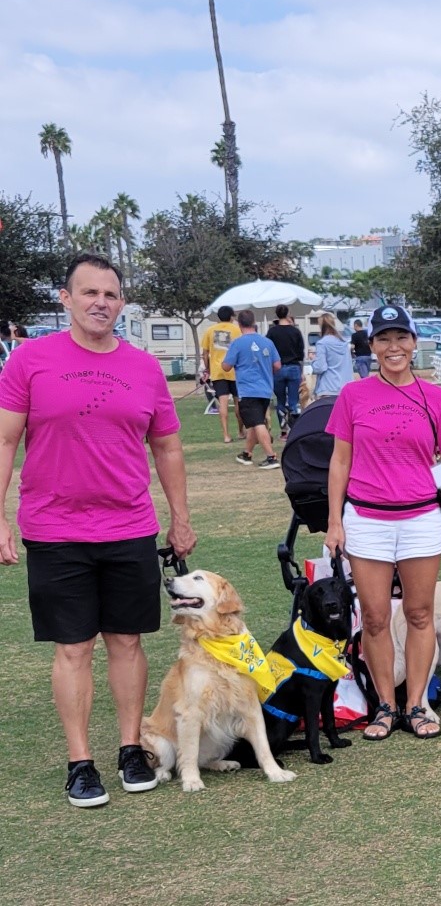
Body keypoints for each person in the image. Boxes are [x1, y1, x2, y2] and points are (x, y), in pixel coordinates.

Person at [0, 253, 197, 807]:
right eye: (88, 293)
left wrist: (180, 518)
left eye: (110, 295)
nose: (99, 304)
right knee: (73, 648)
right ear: (66, 299)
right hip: (55, 528)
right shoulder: (30, 361)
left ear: (122, 304)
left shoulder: (144, 367)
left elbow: (167, 445)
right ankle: (79, 762)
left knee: (128, 641)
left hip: (129, 525)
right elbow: (6, 441)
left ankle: (130, 749)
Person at [324, 304, 441, 740]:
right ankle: (385, 706)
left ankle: (416, 705)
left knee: (420, 614)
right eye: (384, 339)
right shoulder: (353, 395)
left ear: (413, 342)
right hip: (367, 520)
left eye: (401, 338)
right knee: (373, 617)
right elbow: (339, 462)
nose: (394, 347)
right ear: (371, 346)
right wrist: (335, 521)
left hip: (422, 519)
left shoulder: (435, 397)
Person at [222, 309, 281, 469]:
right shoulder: (267, 342)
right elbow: (277, 365)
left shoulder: (237, 343)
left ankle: (271, 457)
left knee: (257, 423)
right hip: (265, 389)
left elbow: (226, 366)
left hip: (248, 390)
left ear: (239, 324)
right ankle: (247, 453)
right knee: (254, 424)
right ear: (254, 322)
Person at [199, 305, 243, 443]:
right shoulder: (237, 330)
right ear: (231, 317)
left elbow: (205, 353)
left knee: (222, 404)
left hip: (218, 372)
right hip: (235, 371)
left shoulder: (209, 331)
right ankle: (241, 431)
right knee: (238, 403)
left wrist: (208, 369)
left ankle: (226, 435)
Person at [266, 305, 305, 439]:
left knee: (280, 401)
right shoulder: (295, 332)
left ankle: (283, 431)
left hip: (278, 368)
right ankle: (295, 430)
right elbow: (301, 353)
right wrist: (301, 370)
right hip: (294, 367)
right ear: (288, 314)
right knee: (294, 401)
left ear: (276, 315)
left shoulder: (272, 332)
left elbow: (268, 351)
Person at [310, 313, 353, 398]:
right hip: (345, 387)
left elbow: (320, 367)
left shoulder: (322, 343)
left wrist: (313, 360)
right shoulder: (344, 343)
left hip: (328, 387)